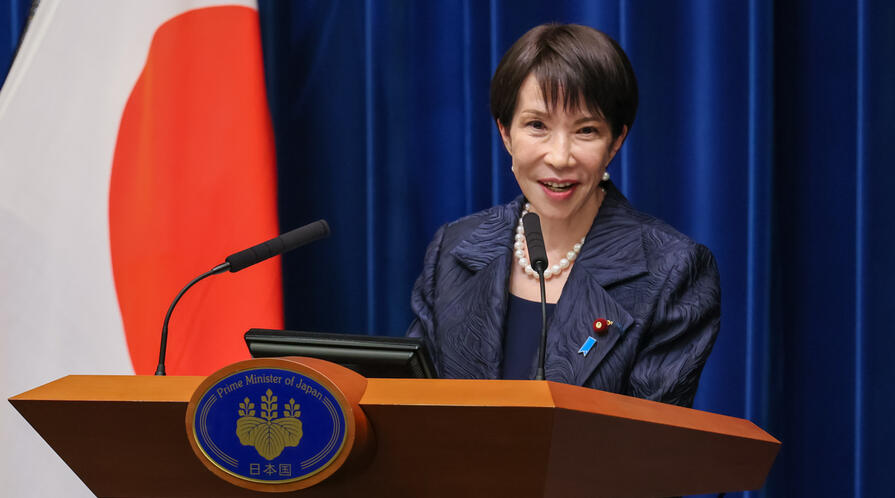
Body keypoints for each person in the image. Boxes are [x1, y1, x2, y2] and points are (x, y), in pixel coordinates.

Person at [407, 23, 720, 408]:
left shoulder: (673, 271)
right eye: (537, 125)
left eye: (586, 130)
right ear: (506, 133)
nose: (559, 157)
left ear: (615, 141)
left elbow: (650, 449)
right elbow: (411, 405)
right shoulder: (453, 250)